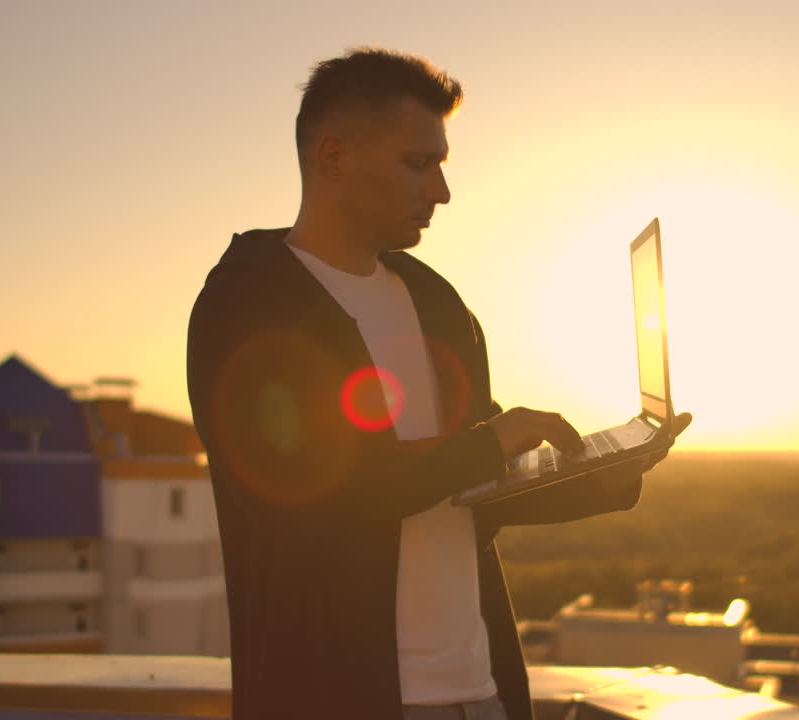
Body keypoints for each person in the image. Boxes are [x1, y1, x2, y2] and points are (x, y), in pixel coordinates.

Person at [186, 48, 690, 720]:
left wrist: (606, 474)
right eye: (417, 163)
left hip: (478, 691)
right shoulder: (249, 305)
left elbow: (470, 493)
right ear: (333, 158)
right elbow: (311, 497)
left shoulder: (435, 302)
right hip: (339, 699)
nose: (442, 191)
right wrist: (489, 443)